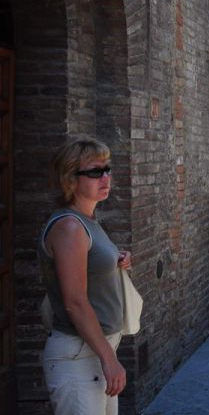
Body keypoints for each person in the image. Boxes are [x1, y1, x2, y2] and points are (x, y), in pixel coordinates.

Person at [40, 137, 132, 414]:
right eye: (94, 172)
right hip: (79, 354)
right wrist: (109, 359)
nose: (105, 177)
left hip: (95, 350)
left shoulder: (86, 221)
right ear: (70, 179)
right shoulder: (70, 226)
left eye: (107, 169)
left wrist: (115, 260)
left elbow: (88, 265)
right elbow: (75, 302)